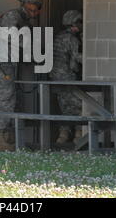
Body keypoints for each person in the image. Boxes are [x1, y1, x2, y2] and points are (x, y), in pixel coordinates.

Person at [0, 0, 42, 151]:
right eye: (33, 6)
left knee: (13, 98)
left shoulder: (26, 19)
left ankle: (10, 137)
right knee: (5, 97)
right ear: (25, 3)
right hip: (2, 61)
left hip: (11, 61)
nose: (35, 10)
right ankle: (0, 137)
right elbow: (12, 37)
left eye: (37, 7)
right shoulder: (13, 16)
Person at [49, 10, 83, 144]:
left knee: (65, 109)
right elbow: (76, 59)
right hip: (67, 78)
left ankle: (62, 137)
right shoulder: (72, 39)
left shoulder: (58, 36)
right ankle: (79, 136)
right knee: (81, 107)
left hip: (55, 78)